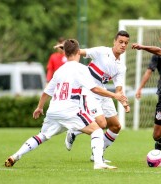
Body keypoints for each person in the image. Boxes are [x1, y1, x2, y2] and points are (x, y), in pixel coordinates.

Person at [4, 39, 129, 170]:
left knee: (42, 136)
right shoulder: (82, 69)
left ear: (65, 54)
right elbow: (95, 89)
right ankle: (98, 162)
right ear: (78, 53)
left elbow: (46, 92)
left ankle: (15, 156)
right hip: (70, 110)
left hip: (54, 110)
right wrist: (115, 95)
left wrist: (39, 107)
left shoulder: (59, 71)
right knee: (97, 130)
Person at [55, 30, 131, 163]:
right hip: (88, 90)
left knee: (116, 126)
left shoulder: (121, 67)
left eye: (126, 43)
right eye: (120, 42)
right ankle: (74, 130)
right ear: (114, 41)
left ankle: (97, 153)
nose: (123, 45)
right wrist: (65, 47)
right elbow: (80, 52)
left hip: (103, 92)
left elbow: (119, 89)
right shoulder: (102, 52)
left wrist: (124, 102)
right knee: (101, 124)